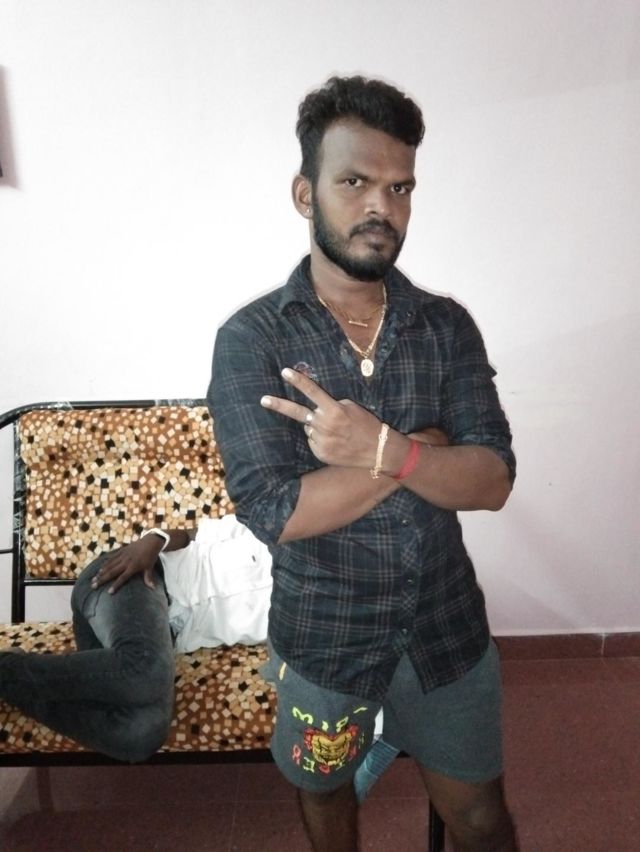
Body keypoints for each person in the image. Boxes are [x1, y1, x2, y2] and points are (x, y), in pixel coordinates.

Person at [208, 75, 519, 852]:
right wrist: (423, 452)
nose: (382, 207)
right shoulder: (253, 340)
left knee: (480, 819)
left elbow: (493, 480)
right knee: (328, 806)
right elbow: (277, 512)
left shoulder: (446, 327)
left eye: (399, 187)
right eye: (355, 182)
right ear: (305, 194)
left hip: (445, 630)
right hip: (325, 640)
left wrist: (378, 448)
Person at [0, 517, 272, 762]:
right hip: (136, 578)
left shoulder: (296, 621)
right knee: (144, 669)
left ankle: (10, 676)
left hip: (149, 646)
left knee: (142, 733)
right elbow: (190, 535)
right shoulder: (274, 525)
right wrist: (154, 539)